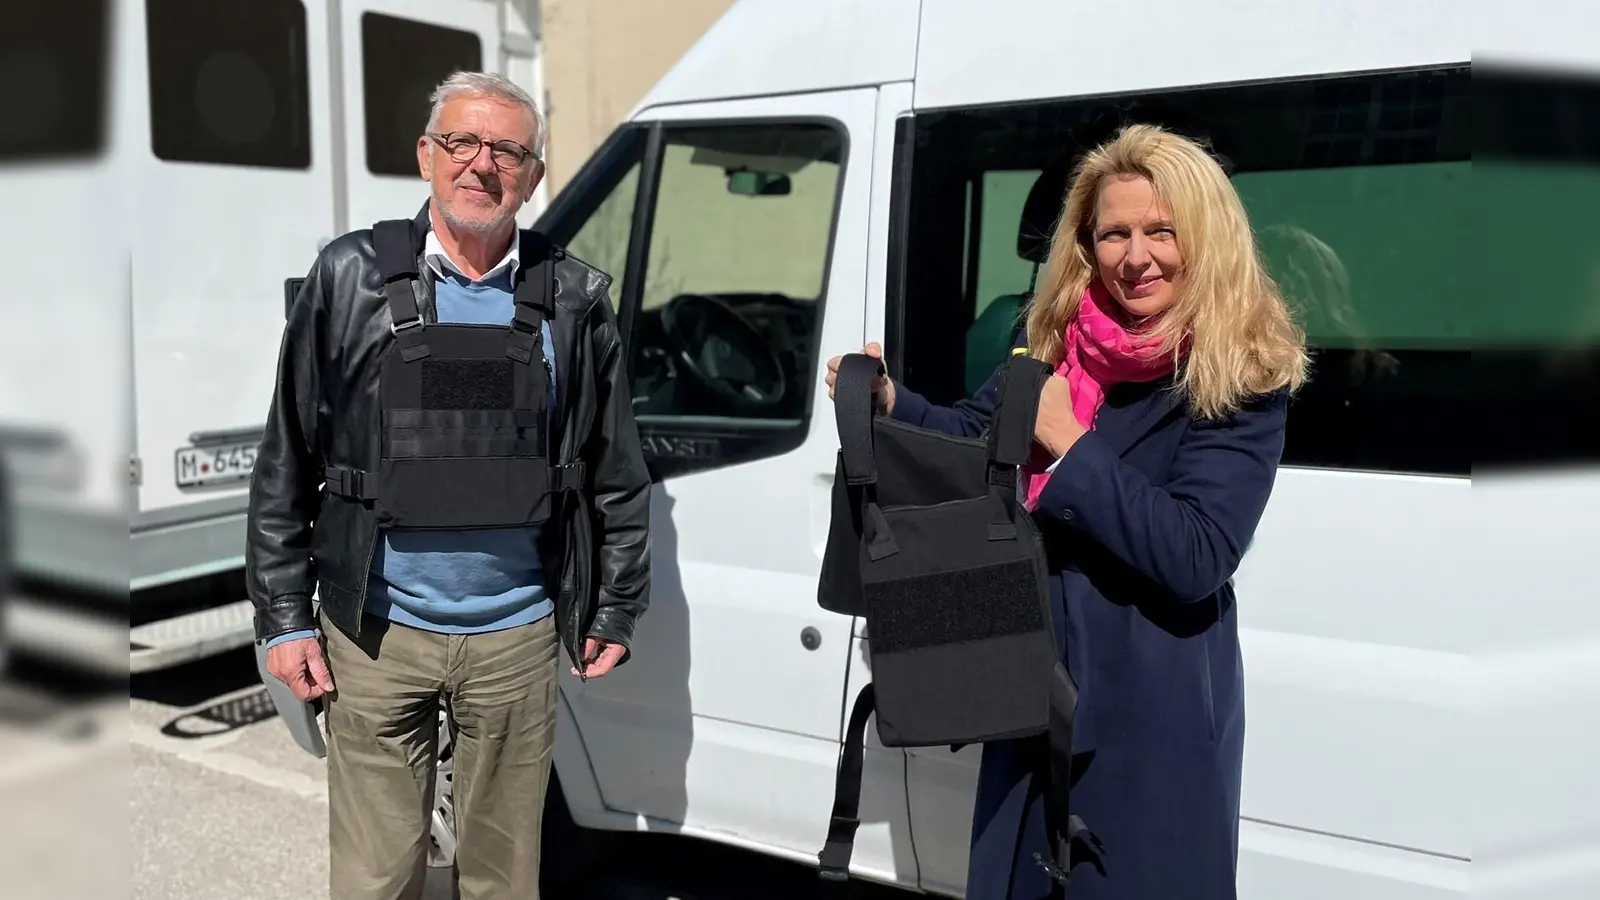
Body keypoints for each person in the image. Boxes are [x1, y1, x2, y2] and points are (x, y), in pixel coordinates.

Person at [826, 123, 1308, 900]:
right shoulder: (1054, 344)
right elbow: (973, 442)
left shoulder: (1243, 374)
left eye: (1161, 231)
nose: (1136, 256)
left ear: (1206, 238)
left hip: (1151, 711)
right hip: (1025, 681)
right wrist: (889, 401)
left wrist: (1070, 444)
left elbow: (1196, 554)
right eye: (1113, 233)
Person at [245, 71, 652, 900]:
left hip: (517, 636)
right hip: (375, 633)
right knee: (374, 877)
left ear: (534, 177)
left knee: (504, 877)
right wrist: (284, 618)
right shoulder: (349, 277)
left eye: (507, 149)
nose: (482, 165)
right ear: (426, 156)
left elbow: (616, 470)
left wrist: (615, 605)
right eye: (461, 143)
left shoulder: (574, 299)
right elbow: (287, 457)